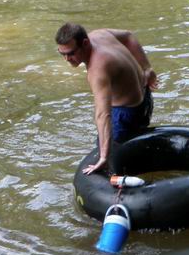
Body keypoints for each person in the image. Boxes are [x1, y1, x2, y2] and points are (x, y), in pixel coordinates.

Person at [55, 23, 158, 175]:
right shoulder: (101, 34)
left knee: (110, 160)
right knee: (129, 144)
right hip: (145, 98)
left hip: (127, 114)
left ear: (85, 43)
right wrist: (147, 68)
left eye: (70, 53)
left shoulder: (98, 69)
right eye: (61, 53)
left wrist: (104, 157)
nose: (66, 59)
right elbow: (129, 36)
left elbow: (103, 114)